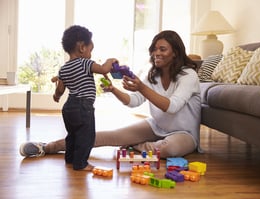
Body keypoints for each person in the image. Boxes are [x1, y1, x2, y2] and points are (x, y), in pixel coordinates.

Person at [19, 30, 202, 160]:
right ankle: (46, 147)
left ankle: (135, 145)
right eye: (154, 49)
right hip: (156, 127)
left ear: (175, 53)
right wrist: (114, 90)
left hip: (184, 134)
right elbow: (133, 102)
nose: (156, 53)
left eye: (162, 49)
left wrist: (141, 87)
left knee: (168, 149)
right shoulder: (152, 75)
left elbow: (172, 106)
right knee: (104, 136)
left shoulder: (189, 75)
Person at [30, 25, 116, 171]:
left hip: (69, 107)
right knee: (86, 136)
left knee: (73, 134)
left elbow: (60, 89)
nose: (91, 54)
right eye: (90, 50)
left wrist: (56, 96)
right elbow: (103, 69)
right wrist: (111, 60)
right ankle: (81, 164)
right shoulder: (85, 63)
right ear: (82, 48)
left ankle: (70, 159)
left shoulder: (63, 69)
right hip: (84, 107)